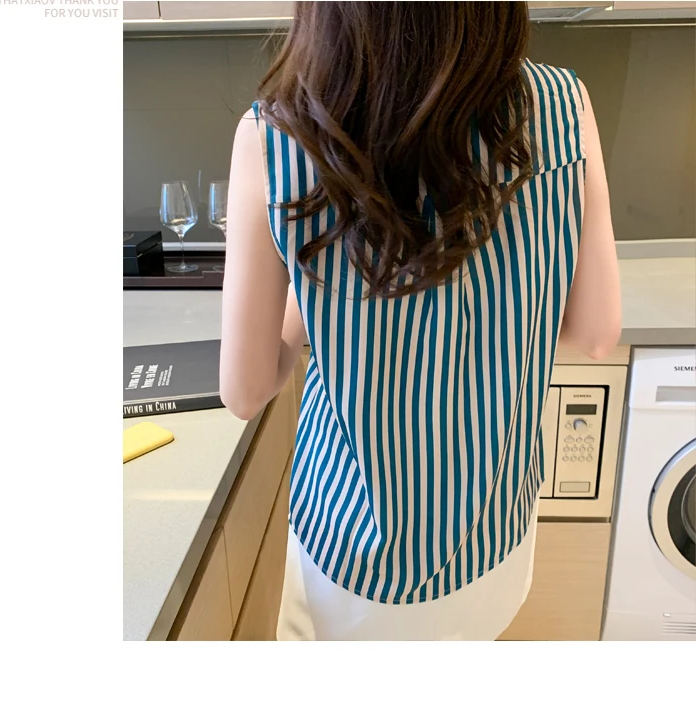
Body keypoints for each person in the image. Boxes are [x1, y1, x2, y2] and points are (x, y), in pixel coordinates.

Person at [220, 1, 621, 641]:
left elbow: (245, 392)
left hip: (350, 556)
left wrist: (308, 292)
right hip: (495, 536)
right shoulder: (564, 105)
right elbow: (596, 333)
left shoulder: (277, 134)